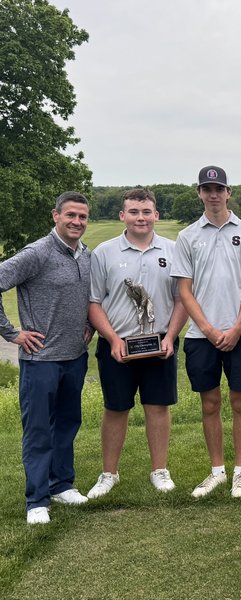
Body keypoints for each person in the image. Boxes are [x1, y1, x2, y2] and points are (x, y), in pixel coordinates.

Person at [86, 188, 188, 498]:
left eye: (146, 212)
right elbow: (94, 303)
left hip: (160, 344)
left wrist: (170, 337)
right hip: (117, 346)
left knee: (157, 408)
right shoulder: (104, 252)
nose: (140, 218)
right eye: (133, 212)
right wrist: (113, 339)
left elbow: (181, 298)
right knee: (115, 408)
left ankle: (159, 470)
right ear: (123, 216)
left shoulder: (173, 250)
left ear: (156, 215)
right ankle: (109, 474)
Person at [0, 192, 93, 524]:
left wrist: (90, 328)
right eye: (70, 215)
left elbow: (88, 301)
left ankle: (61, 484)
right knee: (38, 430)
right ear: (56, 216)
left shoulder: (86, 256)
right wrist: (11, 333)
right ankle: (36, 499)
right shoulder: (36, 253)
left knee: (67, 424)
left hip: (75, 357)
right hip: (40, 360)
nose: (77, 222)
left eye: (82, 217)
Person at [171, 166, 241, 499]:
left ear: (228, 192)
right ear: (199, 193)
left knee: (240, 402)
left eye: (218, 189)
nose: (213, 195)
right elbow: (184, 289)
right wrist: (208, 329)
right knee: (209, 404)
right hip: (201, 337)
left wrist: (237, 327)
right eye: (207, 189)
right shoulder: (188, 236)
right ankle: (217, 471)